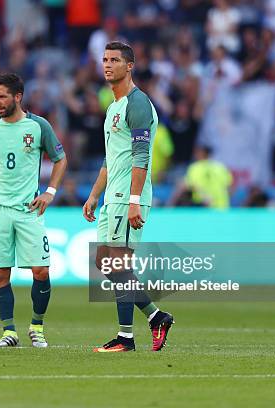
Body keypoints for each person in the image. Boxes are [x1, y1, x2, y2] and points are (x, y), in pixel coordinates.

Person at [0, 73, 67, 348]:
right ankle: (9, 332)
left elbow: (60, 158)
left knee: (41, 270)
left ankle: (37, 327)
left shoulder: (38, 126)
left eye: (2, 96)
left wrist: (50, 192)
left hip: (29, 210)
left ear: (18, 97)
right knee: (0, 274)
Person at [82, 42, 174, 353]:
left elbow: (140, 156)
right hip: (113, 196)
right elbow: (111, 159)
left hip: (128, 197)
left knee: (118, 263)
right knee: (105, 263)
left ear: (129, 65)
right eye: (104, 59)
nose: (107, 65)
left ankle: (125, 338)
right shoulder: (112, 107)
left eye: (115, 60)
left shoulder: (138, 104)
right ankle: (157, 316)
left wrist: (134, 199)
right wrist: (94, 196)